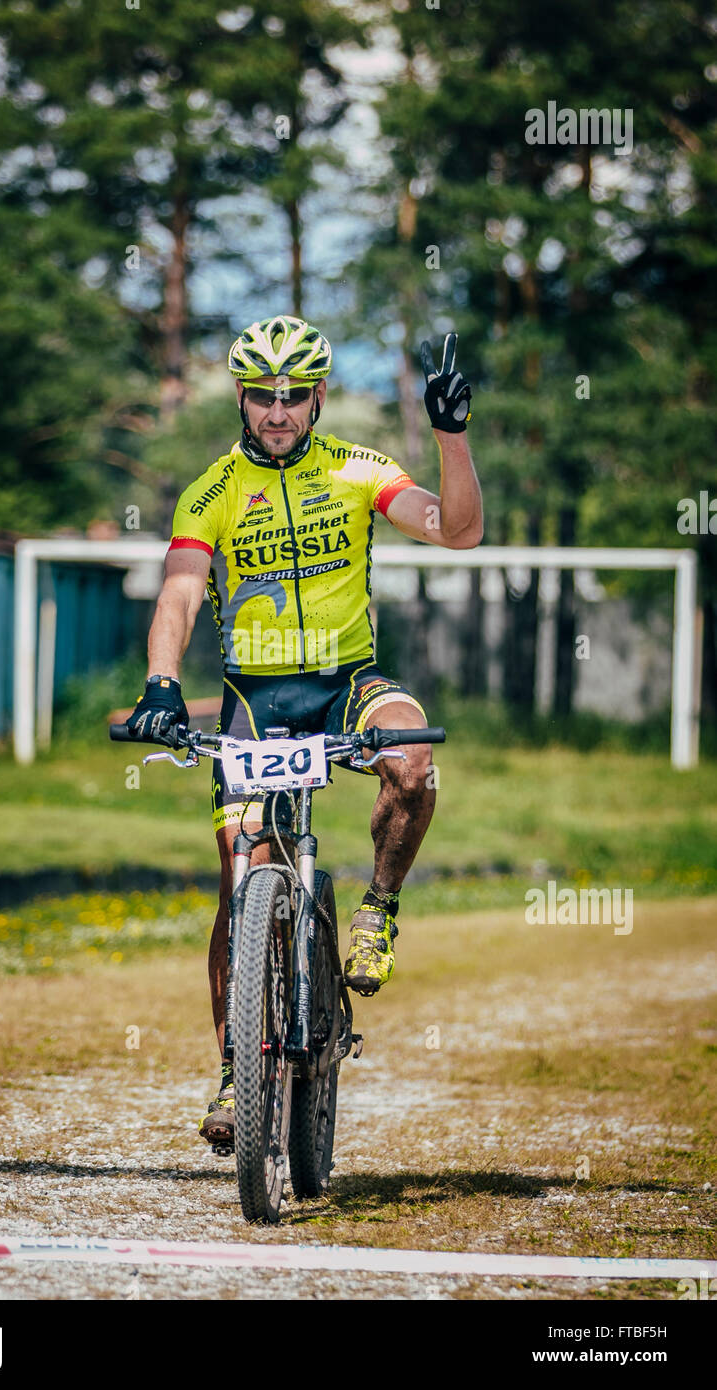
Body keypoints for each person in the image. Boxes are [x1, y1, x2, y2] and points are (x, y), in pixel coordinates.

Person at [124, 314, 483, 1148]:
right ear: (242, 400)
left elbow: (456, 529)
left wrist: (450, 436)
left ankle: (380, 909)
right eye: (261, 396)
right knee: (238, 874)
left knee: (412, 756)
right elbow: (180, 591)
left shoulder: (358, 469)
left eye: (292, 395)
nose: (276, 411)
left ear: (318, 396)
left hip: (346, 682)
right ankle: (232, 1072)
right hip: (256, 699)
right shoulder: (212, 491)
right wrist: (163, 683)